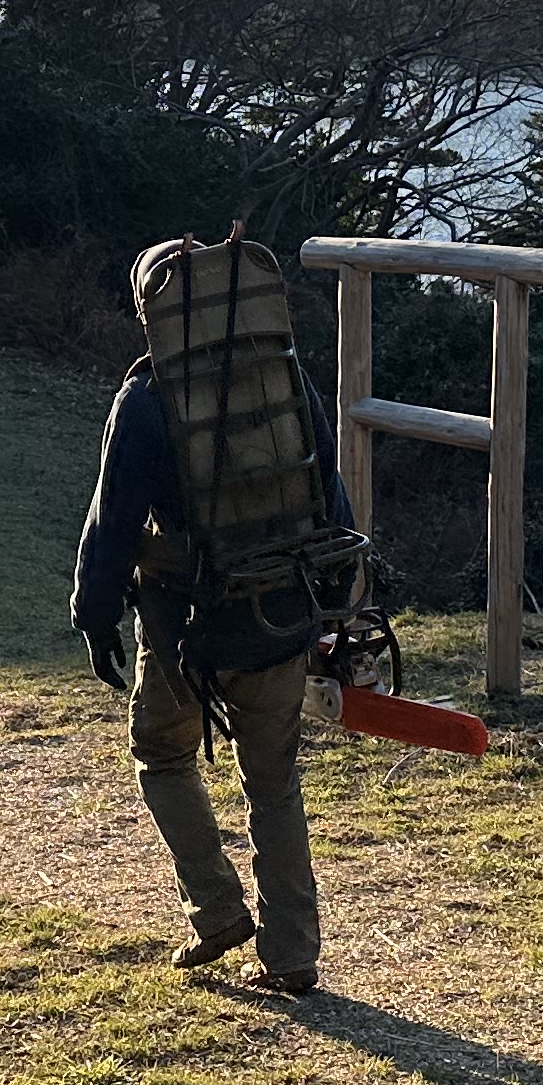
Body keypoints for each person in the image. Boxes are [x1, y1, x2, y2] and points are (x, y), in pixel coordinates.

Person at [71, 240, 357, 997]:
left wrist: (93, 617)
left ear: (150, 313)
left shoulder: (145, 400)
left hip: (183, 627)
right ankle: (293, 954)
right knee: (274, 780)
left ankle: (217, 910)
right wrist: (332, 608)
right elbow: (329, 496)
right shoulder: (285, 378)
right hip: (281, 608)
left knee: (161, 753)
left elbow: (111, 526)